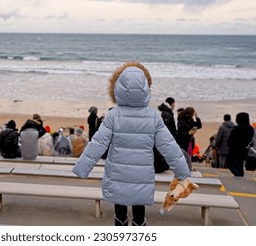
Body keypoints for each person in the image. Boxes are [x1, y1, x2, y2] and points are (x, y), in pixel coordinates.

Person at [72, 62, 190, 226]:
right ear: (145, 89)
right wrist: (182, 172)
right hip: (142, 174)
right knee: (139, 209)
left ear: (118, 89)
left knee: (119, 210)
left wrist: (82, 167)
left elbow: (97, 143)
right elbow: (169, 146)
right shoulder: (153, 116)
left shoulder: (114, 116)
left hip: (118, 173)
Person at [227, 112, 254, 177]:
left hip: (234, 150)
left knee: (230, 164)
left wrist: (231, 146)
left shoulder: (236, 129)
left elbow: (230, 140)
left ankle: (238, 175)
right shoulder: (250, 129)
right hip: (244, 150)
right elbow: (250, 140)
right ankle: (240, 175)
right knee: (240, 165)